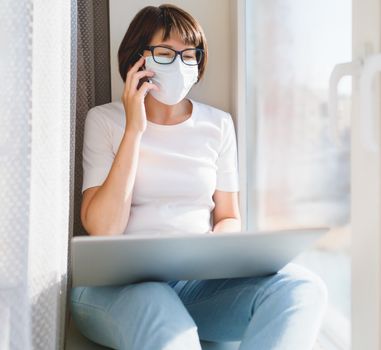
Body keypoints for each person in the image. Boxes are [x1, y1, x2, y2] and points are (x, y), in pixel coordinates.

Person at [70, 4, 328, 350]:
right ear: (136, 59)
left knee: (301, 288)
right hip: (117, 289)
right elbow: (103, 228)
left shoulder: (218, 125)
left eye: (189, 55)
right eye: (165, 53)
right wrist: (134, 129)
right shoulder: (104, 120)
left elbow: (228, 216)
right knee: (161, 313)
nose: (179, 64)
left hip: (194, 285)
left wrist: (215, 249)